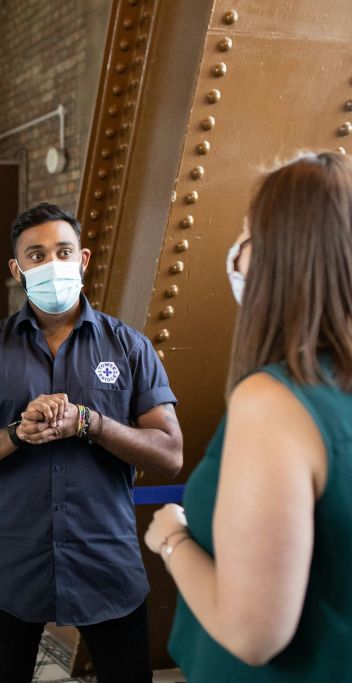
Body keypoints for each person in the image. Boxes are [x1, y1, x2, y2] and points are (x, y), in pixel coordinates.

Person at [0, 202, 184, 683]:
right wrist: (16, 434)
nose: (52, 265)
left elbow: (170, 454)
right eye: (36, 255)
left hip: (106, 563)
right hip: (12, 567)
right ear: (17, 269)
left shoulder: (129, 348)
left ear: (83, 260)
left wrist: (91, 423)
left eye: (63, 251)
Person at [145, 151, 352, 681]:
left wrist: (172, 539)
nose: (236, 254)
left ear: (280, 256)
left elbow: (252, 633)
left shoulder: (277, 402)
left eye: (246, 235)